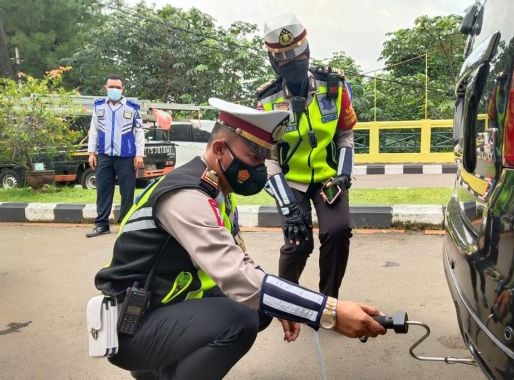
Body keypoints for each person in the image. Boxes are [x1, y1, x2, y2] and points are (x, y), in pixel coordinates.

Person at [93, 98, 384, 379]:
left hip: (160, 310)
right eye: (254, 158)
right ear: (220, 149)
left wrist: (287, 304)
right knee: (240, 320)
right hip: (132, 325)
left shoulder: (214, 187)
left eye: (265, 160)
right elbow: (238, 278)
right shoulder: (187, 196)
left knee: (260, 309)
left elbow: (241, 263)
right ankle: (160, 371)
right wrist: (327, 311)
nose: (259, 169)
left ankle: (156, 369)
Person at [257, 13, 357, 298]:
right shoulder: (267, 101)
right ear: (274, 62)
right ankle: (286, 299)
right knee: (297, 242)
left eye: (298, 57)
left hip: (328, 177)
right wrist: (288, 207)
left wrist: (343, 174)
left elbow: (345, 135)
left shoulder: (334, 87)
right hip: (291, 182)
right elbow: (269, 157)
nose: (293, 65)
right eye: (284, 60)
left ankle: (328, 301)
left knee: (337, 232)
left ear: (308, 52)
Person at [86, 75, 145, 238]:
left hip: (126, 156)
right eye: (112, 87)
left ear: (123, 89)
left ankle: (125, 224)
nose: (115, 90)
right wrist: (91, 152)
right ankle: (101, 225)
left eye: (118, 87)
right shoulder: (99, 106)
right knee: (103, 190)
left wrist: (140, 154)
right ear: (105, 87)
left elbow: (139, 132)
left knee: (127, 191)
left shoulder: (132, 107)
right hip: (104, 155)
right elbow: (94, 130)